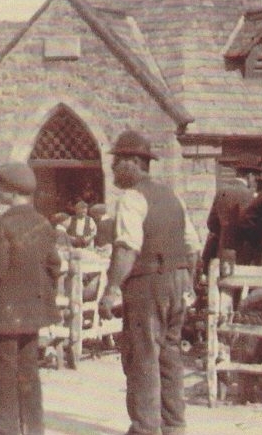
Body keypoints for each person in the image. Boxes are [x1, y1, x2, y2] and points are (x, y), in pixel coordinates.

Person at [98, 130, 199, 435]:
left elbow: (128, 247)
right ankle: (173, 425)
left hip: (147, 284)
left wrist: (112, 289)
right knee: (170, 356)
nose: (113, 169)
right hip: (178, 280)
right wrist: (187, 283)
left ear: (132, 163)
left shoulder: (131, 198)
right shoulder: (173, 197)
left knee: (142, 355)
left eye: (117, 162)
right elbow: (192, 246)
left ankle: (145, 428)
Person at [0, 162, 60, 435]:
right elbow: (54, 266)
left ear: (9, 191)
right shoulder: (43, 223)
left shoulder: (5, 224)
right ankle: (33, 430)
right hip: (32, 316)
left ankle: (7, 430)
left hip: (4, 317)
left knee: (2, 376)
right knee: (29, 375)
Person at [202, 153, 261, 268]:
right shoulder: (251, 196)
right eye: (255, 177)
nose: (255, 182)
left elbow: (212, 223)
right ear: (250, 175)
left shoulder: (221, 192)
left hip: (223, 249)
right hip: (244, 253)